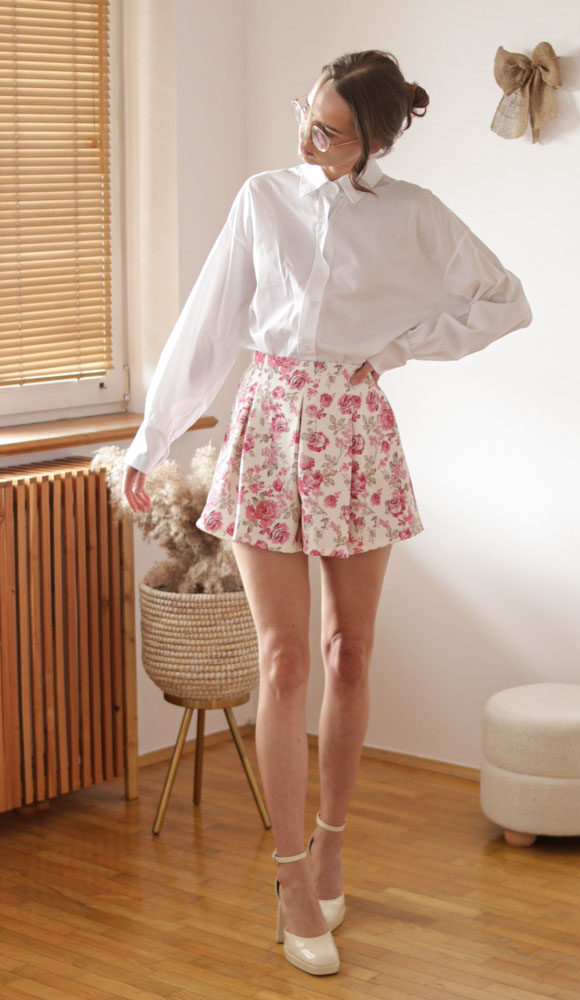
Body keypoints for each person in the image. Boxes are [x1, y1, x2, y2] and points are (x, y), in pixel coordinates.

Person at [123, 50, 532, 977]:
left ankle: (333, 844)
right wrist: (151, 440)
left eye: (333, 133)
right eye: (306, 119)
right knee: (284, 659)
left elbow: (504, 301)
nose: (310, 142)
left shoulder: (415, 215)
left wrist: (393, 352)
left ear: (376, 140)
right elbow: (208, 324)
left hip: (354, 431)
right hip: (268, 426)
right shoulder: (262, 199)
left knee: (349, 653)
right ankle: (290, 876)